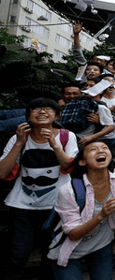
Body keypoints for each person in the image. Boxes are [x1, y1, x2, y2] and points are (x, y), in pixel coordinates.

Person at [0, 98, 79, 280]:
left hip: (56, 205)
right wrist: (19, 143)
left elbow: (70, 166)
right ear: (28, 116)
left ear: (57, 115)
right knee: (18, 251)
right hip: (22, 205)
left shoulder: (67, 136)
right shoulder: (18, 138)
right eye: (35, 109)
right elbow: (3, 173)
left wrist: (54, 144)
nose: (42, 112)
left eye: (47, 109)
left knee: (51, 252)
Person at [48, 141, 115, 280]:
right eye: (93, 149)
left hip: (101, 244)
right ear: (82, 161)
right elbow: (73, 235)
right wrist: (101, 215)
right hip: (70, 250)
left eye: (104, 147)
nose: (100, 151)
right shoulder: (69, 191)